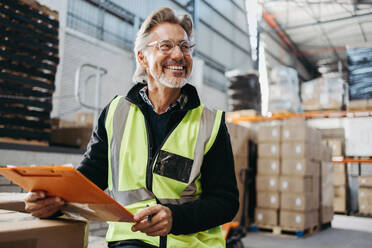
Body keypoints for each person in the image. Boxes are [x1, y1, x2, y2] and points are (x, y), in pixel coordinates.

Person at [25, 7, 239, 248]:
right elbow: (90, 177)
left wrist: (175, 218)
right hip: (131, 240)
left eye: (185, 46)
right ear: (142, 58)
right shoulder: (116, 113)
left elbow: (226, 202)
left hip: (190, 243)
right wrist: (54, 201)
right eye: (166, 46)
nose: (179, 54)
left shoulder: (210, 124)